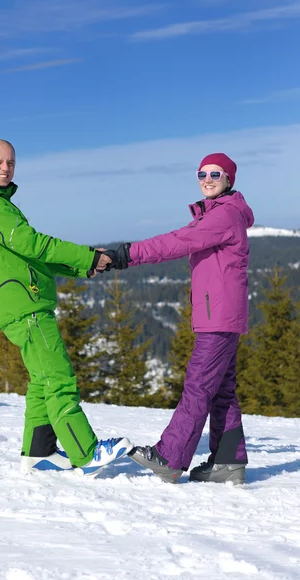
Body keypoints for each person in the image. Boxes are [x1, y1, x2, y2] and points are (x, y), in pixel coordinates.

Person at [0, 139, 132, 476]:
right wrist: (88, 256)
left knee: (41, 379)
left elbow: (30, 256)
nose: (4, 167)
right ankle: (85, 452)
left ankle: (38, 452)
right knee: (58, 376)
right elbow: (33, 243)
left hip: (27, 301)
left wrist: (84, 265)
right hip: (23, 306)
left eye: (10, 162)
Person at [108, 153, 254, 484]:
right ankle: (228, 460)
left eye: (216, 174)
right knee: (221, 390)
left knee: (198, 386)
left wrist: (127, 255)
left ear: (229, 179)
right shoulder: (219, 212)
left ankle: (170, 457)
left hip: (218, 317)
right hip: (220, 314)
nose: (207, 179)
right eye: (202, 173)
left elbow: (178, 242)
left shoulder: (224, 215)